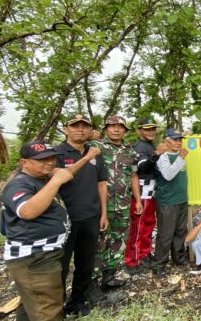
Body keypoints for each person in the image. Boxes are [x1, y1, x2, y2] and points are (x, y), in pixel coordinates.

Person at [1, 141, 73, 321]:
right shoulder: (18, 185)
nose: (49, 162)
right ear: (24, 163)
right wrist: (56, 180)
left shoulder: (40, 178)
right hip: (35, 258)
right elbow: (27, 211)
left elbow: (66, 173)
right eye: (42, 159)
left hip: (45, 254)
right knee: (47, 311)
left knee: (31, 305)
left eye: (51, 158)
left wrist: (53, 176)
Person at [55, 115, 108, 316]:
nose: (80, 129)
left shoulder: (96, 153)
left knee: (85, 264)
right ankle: (55, 308)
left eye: (84, 126)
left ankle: (77, 303)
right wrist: (86, 157)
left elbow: (101, 183)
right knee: (60, 267)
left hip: (91, 216)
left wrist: (103, 212)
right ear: (65, 129)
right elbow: (61, 176)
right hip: (64, 219)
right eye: (74, 126)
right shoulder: (57, 153)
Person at [89, 115, 142, 291]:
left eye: (120, 126)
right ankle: (92, 282)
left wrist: (138, 200)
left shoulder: (130, 151)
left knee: (119, 241)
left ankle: (109, 277)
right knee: (99, 243)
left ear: (125, 130)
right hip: (100, 205)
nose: (116, 129)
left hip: (123, 203)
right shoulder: (95, 147)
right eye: (112, 126)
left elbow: (133, 176)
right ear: (105, 129)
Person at [125, 117, 164, 272]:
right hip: (141, 191)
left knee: (148, 224)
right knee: (138, 226)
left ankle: (145, 253)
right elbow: (143, 167)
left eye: (153, 129)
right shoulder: (138, 147)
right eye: (147, 129)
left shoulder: (148, 145)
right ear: (138, 130)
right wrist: (156, 155)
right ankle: (132, 260)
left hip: (151, 191)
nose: (151, 132)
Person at [150, 129, 189, 274]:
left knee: (180, 232)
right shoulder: (163, 157)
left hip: (182, 199)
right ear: (166, 140)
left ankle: (179, 258)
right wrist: (181, 158)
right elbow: (168, 175)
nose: (178, 142)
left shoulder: (180, 155)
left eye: (180, 139)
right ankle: (159, 265)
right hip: (167, 201)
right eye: (174, 139)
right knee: (166, 234)